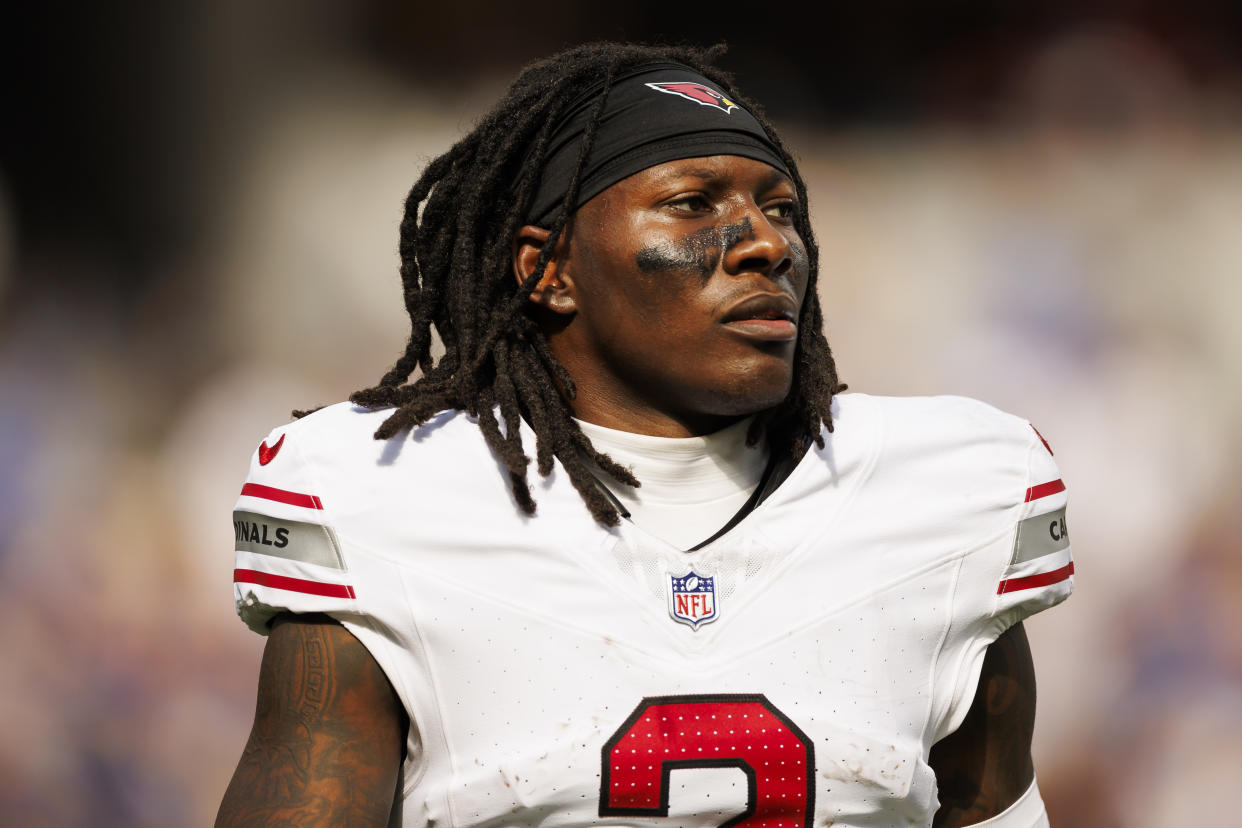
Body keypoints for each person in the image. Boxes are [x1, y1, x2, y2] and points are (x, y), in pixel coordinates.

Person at [217, 42, 1073, 828]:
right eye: (694, 204)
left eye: (779, 207)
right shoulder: (387, 495)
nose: (767, 243)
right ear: (547, 271)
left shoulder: (942, 497)